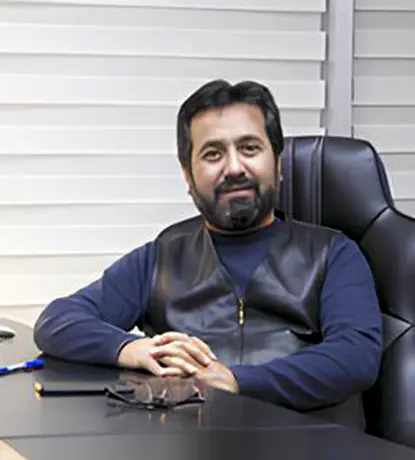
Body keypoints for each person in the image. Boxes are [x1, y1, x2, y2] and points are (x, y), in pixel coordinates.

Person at [34, 79, 382, 425]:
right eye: (213, 154)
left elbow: (356, 356)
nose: (234, 168)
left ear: (278, 164)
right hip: (190, 441)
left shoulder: (333, 254)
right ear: (187, 175)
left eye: (249, 148)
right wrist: (130, 348)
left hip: (306, 441)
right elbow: (58, 321)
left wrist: (236, 381)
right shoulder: (162, 257)